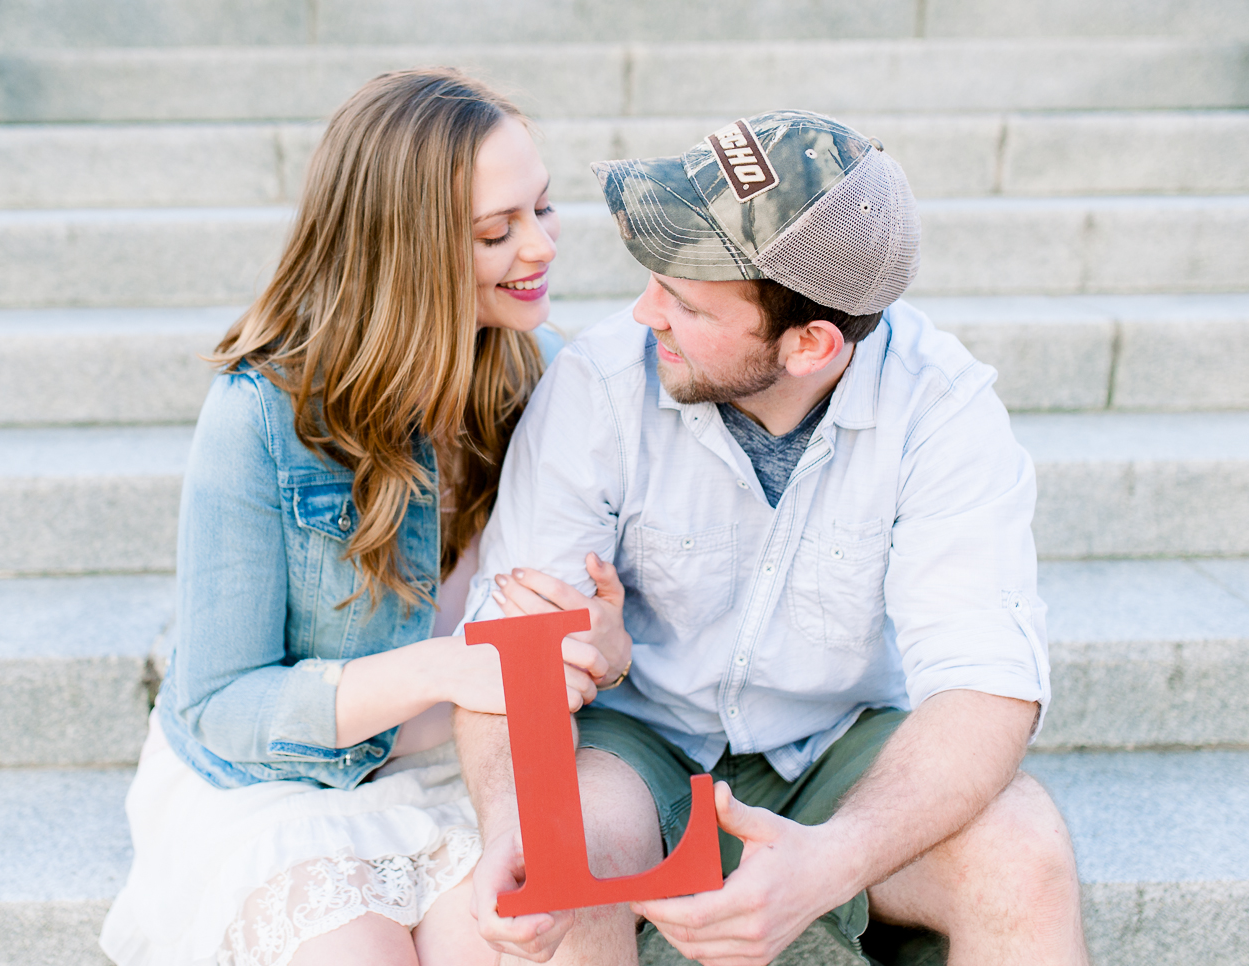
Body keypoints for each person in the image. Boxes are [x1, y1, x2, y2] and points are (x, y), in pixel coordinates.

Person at [454, 111, 1089, 965]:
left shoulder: (944, 408)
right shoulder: (597, 382)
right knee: (567, 856)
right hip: (645, 748)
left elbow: (987, 686)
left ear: (810, 343)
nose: (646, 312)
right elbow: (514, 641)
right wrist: (513, 827)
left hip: (842, 747)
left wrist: (835, 859)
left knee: (1025, 854)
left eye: (684, 299)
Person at [98, 68, 610, 966]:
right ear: (403, 250)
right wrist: (446, 668)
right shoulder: (262, 414)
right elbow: (222, 705)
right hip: (280, 784)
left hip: (465, 771)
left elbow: (579, 616)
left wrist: (604, 640)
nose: (540, 247)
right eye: (497, 231)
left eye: (544, 208)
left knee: (510, 946)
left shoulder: (545, 377)